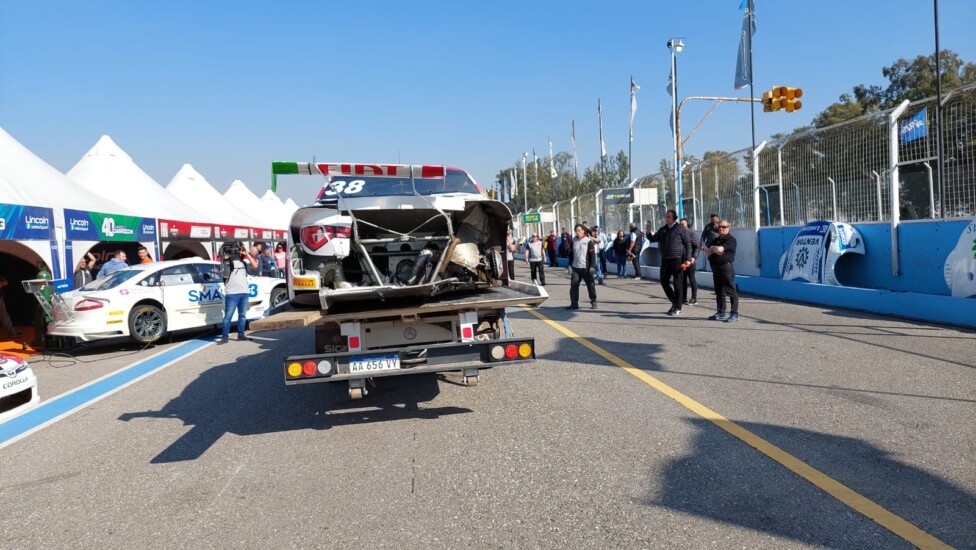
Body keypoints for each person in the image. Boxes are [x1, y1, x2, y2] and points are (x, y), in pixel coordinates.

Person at [646, 209, 692, 316]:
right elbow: (653, 239)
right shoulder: (663, 229)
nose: (667, 219)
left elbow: (688, 244)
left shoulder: (681, 228)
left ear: (674, 218)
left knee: (677, 284)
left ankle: (678, 307)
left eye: (669, 217)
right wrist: (648, 233)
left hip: (677, 259)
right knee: (663, 281)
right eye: (666, 217)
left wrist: (688, 259)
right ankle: (674, 302)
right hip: (665, 259)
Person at [218, 243, 255, 344]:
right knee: (228, 316)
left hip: (244, 292)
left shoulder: (244, 263)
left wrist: (247, 253)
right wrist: (226, 259)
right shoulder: (227, 263)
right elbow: (225, 275)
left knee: (242, 315)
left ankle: (241, 335)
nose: (236, 252)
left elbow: (255, 265)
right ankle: (225, 337)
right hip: (232, 294)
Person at [706, 219, 739, 322]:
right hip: (716, 267)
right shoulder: (716, 240)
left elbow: (720, 250)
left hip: (726, 268)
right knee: (719, 291)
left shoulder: (731, 240)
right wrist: (714, 248)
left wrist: (714, 249)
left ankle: (734, 313)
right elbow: (707, 252)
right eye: (719, 227)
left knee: (730, 290)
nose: (721, 229)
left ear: (729, 228)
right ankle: (721, 311)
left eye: (724, 227)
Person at [566, 225, 597, 310]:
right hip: (576, 267)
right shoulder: (573, 241)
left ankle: (593, 301)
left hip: (586, 268)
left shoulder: (588, 241)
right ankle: (574, 304)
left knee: (590, 285)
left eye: (579, 230)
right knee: (574, 285)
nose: (577, 232)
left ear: (583, 231)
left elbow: (592, 256)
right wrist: (569, 265)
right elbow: (571, 254)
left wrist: (592, 267)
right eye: (576, 230)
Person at [31, 261, 53, 347]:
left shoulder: (41, 274)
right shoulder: (46, 274)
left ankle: (40, 340)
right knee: (46, 320)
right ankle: (48, 340)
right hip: (46, 300)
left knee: (42, 321)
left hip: (42, 300)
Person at [679, 218, 700, 305]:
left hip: (690, 260)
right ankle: (683, 298)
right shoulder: (679, 234)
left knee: (691, 279)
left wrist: (693, 257)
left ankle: (694, 298)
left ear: (687, 225)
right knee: (682, 279)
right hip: (681, 259)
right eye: (680, 224)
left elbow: (697, 246)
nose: (681, 226)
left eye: (683, 224)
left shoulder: (691, 234)